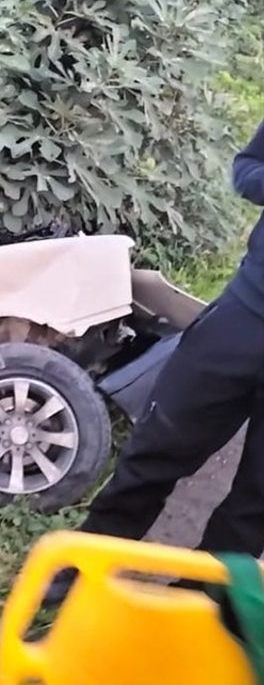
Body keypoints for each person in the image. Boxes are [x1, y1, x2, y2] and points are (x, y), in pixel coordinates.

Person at [53, 118, 264, 599]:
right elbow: (247, 168)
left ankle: (197, 604)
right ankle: (86, 567)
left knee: (257, 500)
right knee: (155, 451)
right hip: (244, 318)